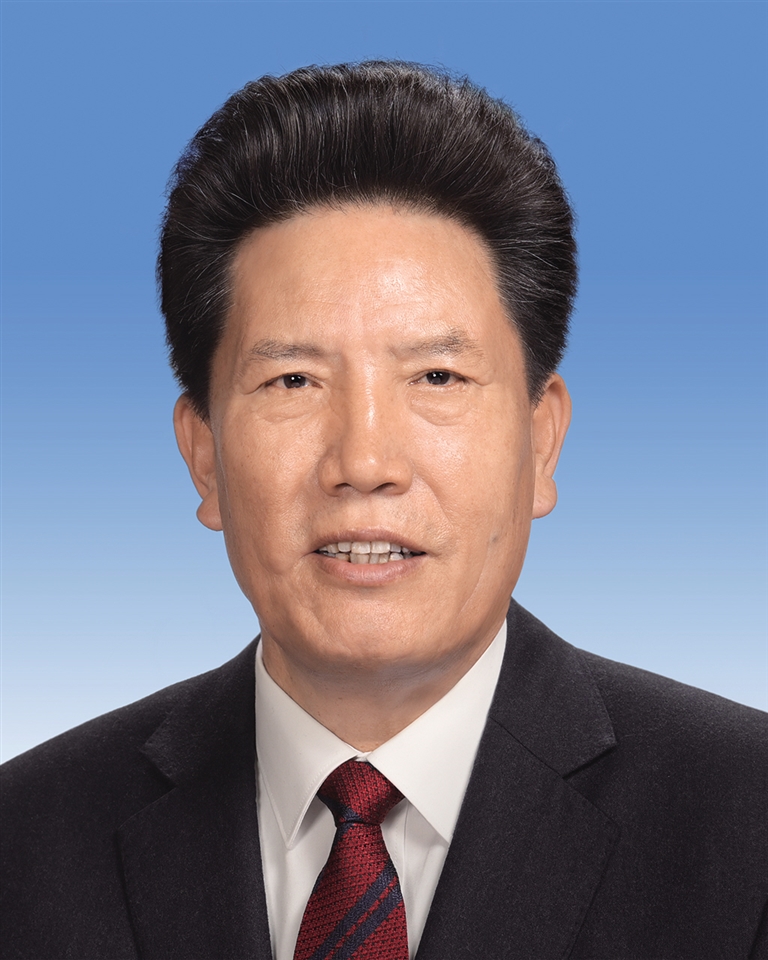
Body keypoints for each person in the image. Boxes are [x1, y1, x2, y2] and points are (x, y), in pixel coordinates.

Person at [1, 61, 766, 960]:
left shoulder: (745, 825)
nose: (364, 464)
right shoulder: (26, 844)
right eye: (294, 381)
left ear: (542, 443)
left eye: (437, 377)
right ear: (203, 455)